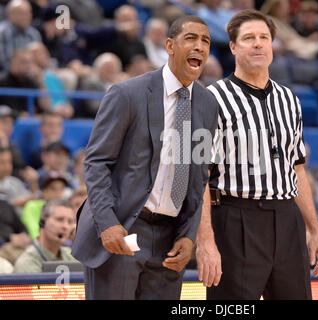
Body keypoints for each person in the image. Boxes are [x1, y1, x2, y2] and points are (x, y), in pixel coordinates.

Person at [71, 15, 218, 300]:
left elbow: (200, 177)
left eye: (206, 41)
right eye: (191, 39)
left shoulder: (208, 103)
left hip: (169, 240)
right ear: (169, 46)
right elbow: (97, 162)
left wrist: (189, 236)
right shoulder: (127, 93)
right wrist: (107, 222)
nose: (200, 46)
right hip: (124, 226)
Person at [196, 9, 318, 300]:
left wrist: (314, 230)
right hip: (234, 218)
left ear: (272, 46)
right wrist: (205, 241)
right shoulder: (210, 99)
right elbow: (199, 177)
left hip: (286, 218)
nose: (257, 44)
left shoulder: (289, 99)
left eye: (263, 38)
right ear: (232, 47)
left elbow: (298, 168)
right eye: (248, 38)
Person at [14, 199, 77, 273]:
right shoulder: (27, 263)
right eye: (59, 220)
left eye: (70, 222)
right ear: (42, 222)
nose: (66, 226)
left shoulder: (71, 256)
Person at [21, 173, 69, 239]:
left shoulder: (67, 209)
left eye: (61, 189)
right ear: (44, 191)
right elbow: (33, 231)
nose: (58, 193)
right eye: (53, 189)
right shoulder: (32, 205)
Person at [0, 0, 41, 72]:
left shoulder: (34, 33)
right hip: (9, 76)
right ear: (9, 15)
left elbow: (39, 58)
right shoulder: (2, 33)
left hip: (31, 74)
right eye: (21, 13)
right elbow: (3, 63)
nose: (26, 16)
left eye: (28, 13)